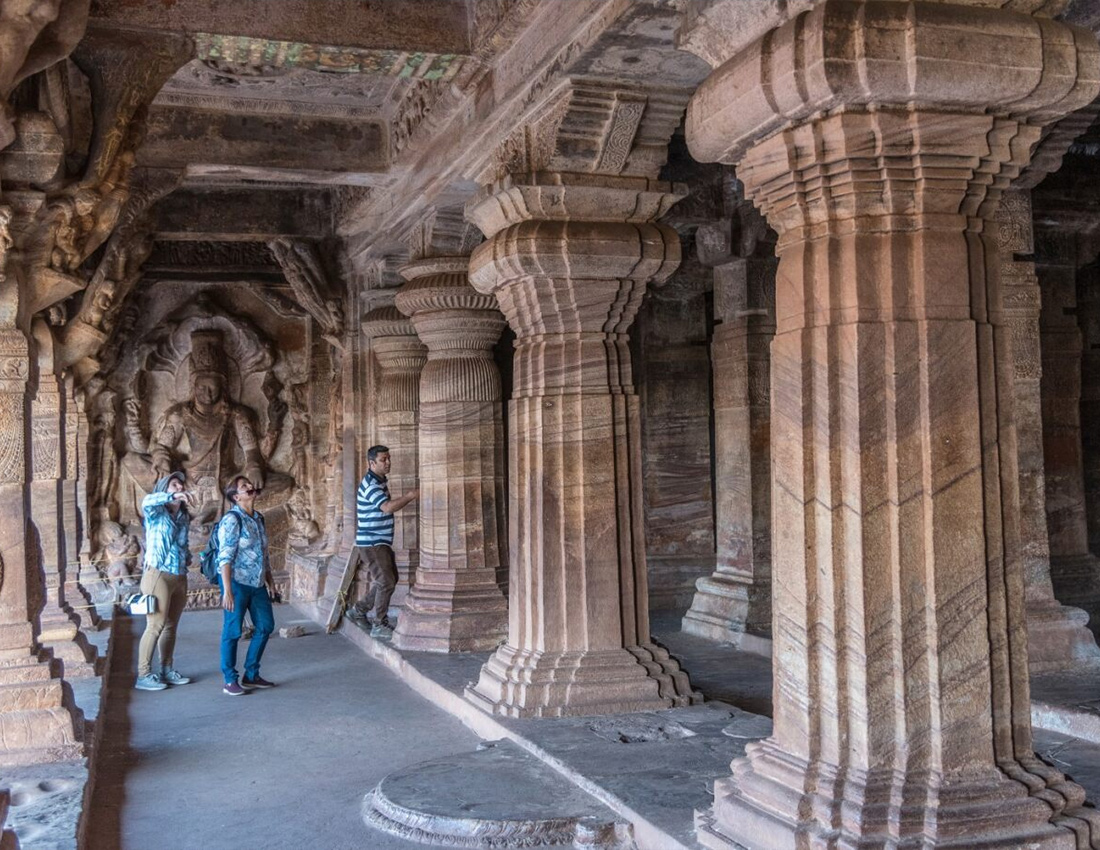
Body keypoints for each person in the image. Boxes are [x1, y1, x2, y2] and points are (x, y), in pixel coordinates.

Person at [346, 445, 418, 639]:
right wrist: (410, 496)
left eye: (388, 458)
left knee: (388, 579)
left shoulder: (379, 481)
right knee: (386, 581)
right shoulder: (371, 484)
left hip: (379, 541)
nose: (388, 463)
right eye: (383, 460)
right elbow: (387, 507)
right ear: (372, 463)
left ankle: (358, 611)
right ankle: (379, 624)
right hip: (372, 542)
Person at [217, 475, 276, 696]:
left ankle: (251, 674)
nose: (250, 486)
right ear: (236, 497)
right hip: (237, 583)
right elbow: (225, 557)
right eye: (244, 486)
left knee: (266, 626)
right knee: (233, 631)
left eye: (250, 484)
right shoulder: (232, 520)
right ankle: (229, 679)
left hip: (257, 582)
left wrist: (270, 581)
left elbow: (263, 553)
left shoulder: (258, 518)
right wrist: (227, 591)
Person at [135, 471, 193, 691]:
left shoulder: (183, 517)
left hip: (179, 574)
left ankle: (166, 670)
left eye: (180, 485)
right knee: (155, 625)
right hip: (158, 574)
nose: (180, 488)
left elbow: (183, 543)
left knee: (170, 626)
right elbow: (146, 501)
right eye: (174, 484)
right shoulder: (156, 512)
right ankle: (143, 674)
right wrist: (171, 497)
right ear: (164, 490)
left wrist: (187, 557)